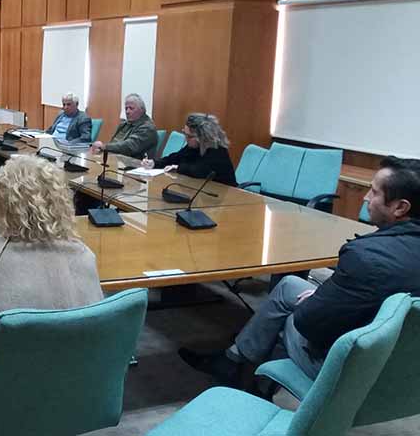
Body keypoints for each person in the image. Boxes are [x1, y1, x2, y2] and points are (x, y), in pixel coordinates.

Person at [179, 155, 420, 386]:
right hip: (402, 362)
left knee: (280, 318)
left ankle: (249, 380)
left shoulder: (365, 257)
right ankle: (234, 359)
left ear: (400, 207)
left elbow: (308, 324)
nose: (366, 197)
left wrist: (317, 300)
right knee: (289, 285)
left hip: (350, 364)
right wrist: (326, 294)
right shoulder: (380, 255)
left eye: (374, 192)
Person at [0, 155, 104, 434]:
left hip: (2, 396)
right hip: (74, 387)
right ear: (60, 201)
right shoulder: (84, 255)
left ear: (0, 201)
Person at [142, 113, 237, 187]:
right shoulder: (193, 146)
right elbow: (176, 157)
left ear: (203, 137)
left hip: (225, 194)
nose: (186, 138)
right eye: (185, 134)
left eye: (189, 136)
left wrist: (178, 168)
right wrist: (155, 163)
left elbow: (199, 170)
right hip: (202, 190)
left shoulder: (217, 150)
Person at [91, 93, 158, 159]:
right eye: (126, 108)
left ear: (142, 110)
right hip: (117, 160)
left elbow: (128, 147)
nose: (127, 111)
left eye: (131, 108)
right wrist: (102, 149)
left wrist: (104, 147)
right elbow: (114, 143)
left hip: (135, 163)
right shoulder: (124, 124)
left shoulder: (148, 128)